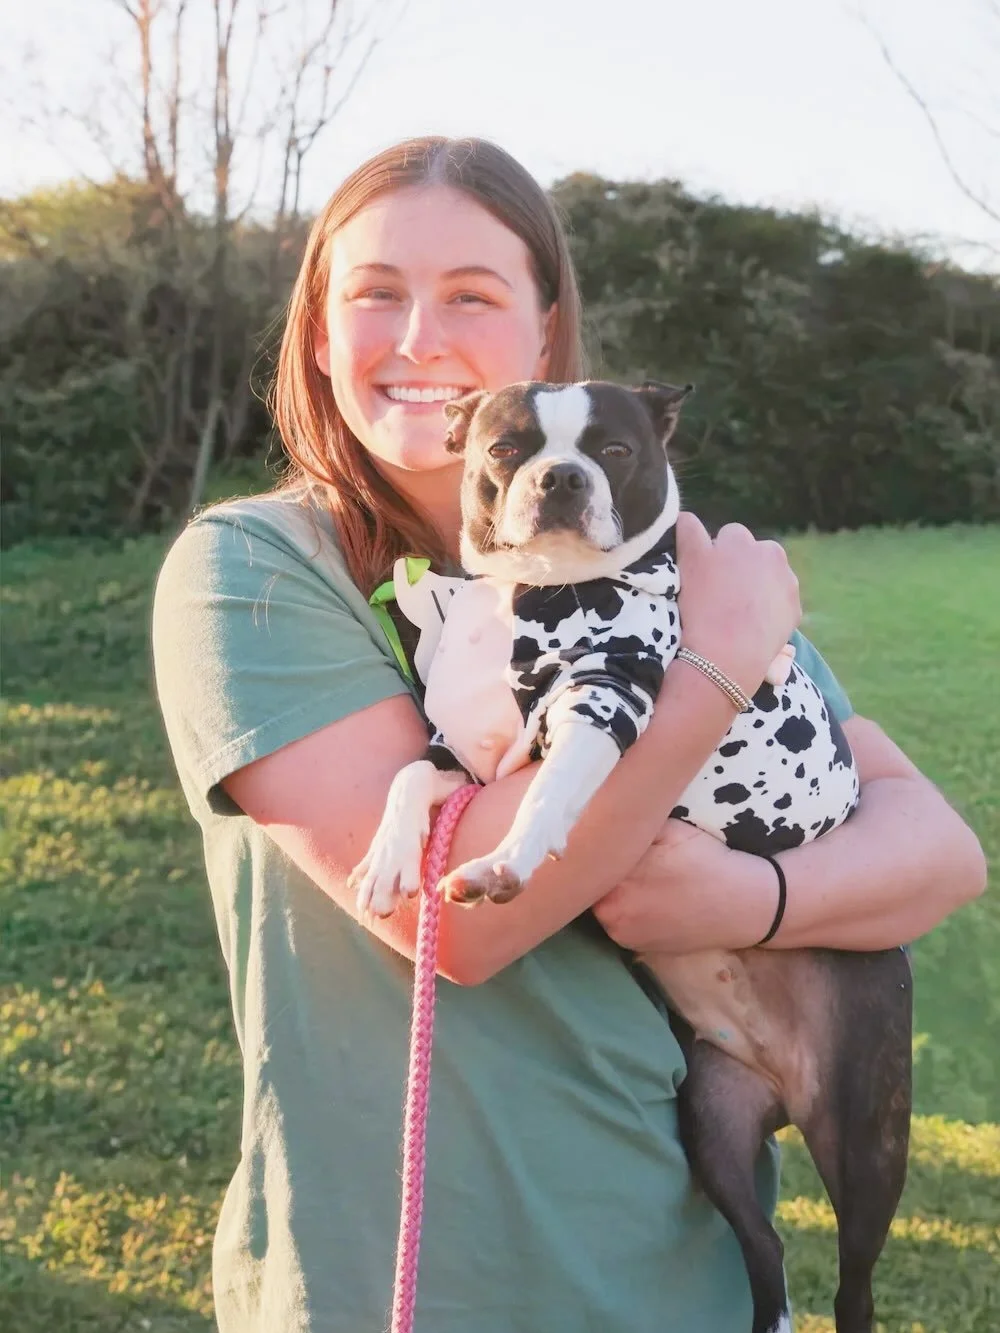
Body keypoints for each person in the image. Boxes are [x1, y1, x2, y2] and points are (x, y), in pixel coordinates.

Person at [151, 136, 986, 1333]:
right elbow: (452, 918)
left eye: (473, 296)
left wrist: (742, 900)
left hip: (685, 1271)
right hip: (408, 1287)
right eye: (374, 293)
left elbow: (936, 851)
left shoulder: (661, 568)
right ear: (320, 334)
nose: (419, 336)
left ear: (545, 333)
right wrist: (713, 659)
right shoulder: (256, 571)